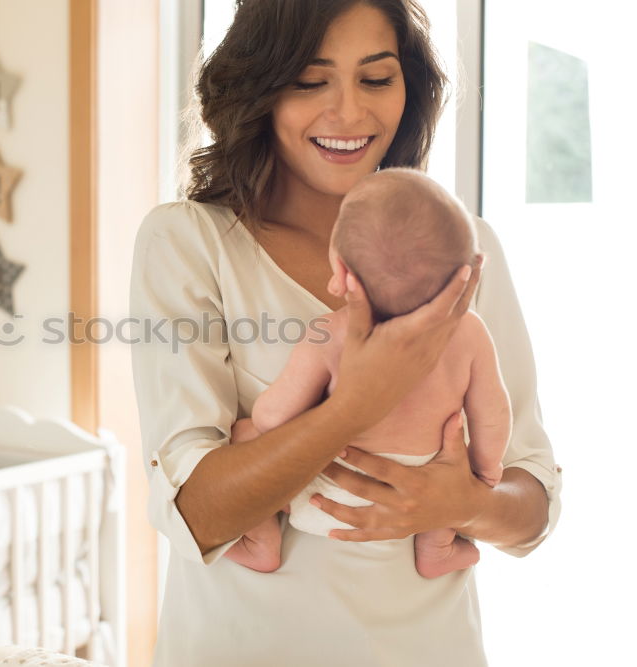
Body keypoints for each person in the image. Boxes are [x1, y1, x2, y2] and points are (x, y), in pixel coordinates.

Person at [129, 0, 562, 664]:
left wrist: (459, 501)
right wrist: (355, 406)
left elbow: (533, 505)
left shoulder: (466, 253)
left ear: (408, 88)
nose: (350, 112)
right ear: (261, 88)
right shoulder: (187, 242)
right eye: (310, 80)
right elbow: (198, 512)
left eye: (376, 78)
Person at [223, 168, 511, 580]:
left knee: (244, 437)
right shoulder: (469, 333)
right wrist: (482, 475)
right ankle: (438, 550)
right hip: (424, 494)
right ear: (462, 276)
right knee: (455, 455)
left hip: (324, 496)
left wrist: (267, 420)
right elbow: (493, 414)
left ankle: (261, 541)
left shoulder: (330, 333)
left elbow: (273, 420)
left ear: (340, 272)